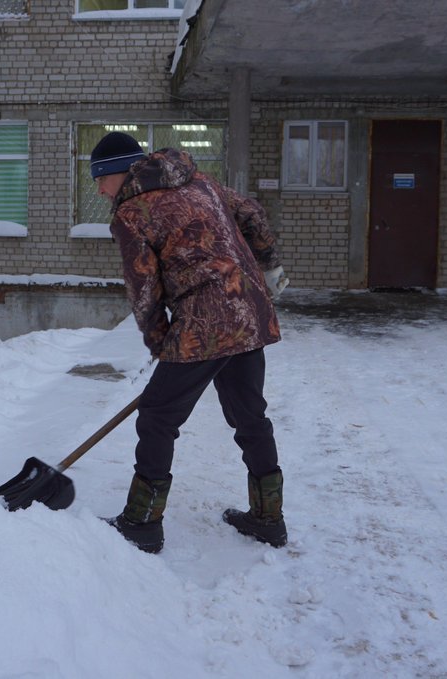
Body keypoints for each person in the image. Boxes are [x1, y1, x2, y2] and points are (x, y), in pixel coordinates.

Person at [90, 131, 290, 553]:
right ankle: (268, 518)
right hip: (249, 310)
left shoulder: (131, 211)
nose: (99, 190)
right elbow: (252, 213)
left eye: (100, 180)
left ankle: (142, 523)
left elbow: (143, 289)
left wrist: (159, 339)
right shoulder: (201, 181)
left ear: (118, 173)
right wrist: (268, 269)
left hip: (205, 323)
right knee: (250, 417)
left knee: (158, 415)